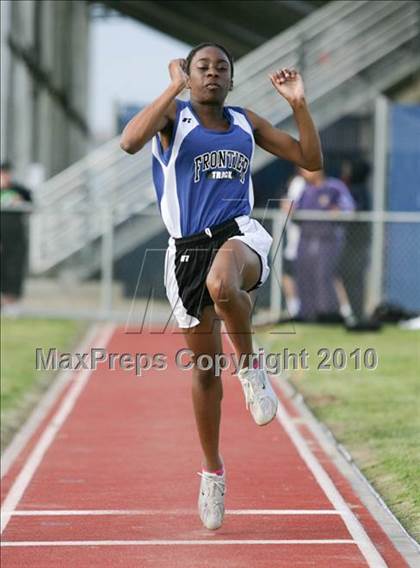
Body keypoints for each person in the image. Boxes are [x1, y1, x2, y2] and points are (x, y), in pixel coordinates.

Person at [120, 42, 322, 530]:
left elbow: (309, 158)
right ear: (189, 76)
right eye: (202, 67)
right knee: (206, 372)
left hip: (238, 235)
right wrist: (172, 87)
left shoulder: (245, 122)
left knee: (223, 282)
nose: (212, 73)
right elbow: (128, 142)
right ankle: (212, 471)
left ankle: (251, 370)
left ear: (232, 80)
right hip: (184, 250)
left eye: (221, 68)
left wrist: (298, 103)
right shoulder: (173, 118)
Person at [295, 168, 354, 321]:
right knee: (305, 275)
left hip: (328, 239)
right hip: (306, 238)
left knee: (324, 275)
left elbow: (349, 208)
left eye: (306, 169)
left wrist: (340, 211)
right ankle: (306, 313)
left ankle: (327, 313)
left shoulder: (335, 186)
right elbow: (296, 211)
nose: (303, 173)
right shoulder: (305, 189)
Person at [0, 161, 32, 312]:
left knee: (14, 267)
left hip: (15, 236)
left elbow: (30, 202)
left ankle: (11, 300)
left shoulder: (18, 189)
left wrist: (19, 200)